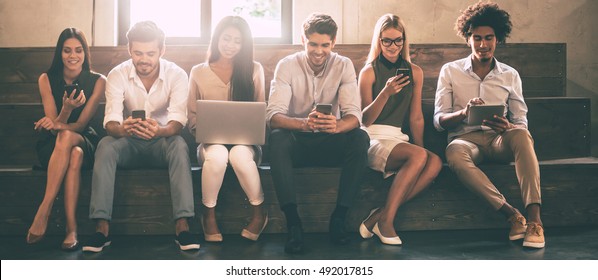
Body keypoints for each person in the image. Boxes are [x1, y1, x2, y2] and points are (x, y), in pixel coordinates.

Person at [434, 1, 544, 248]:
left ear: (498, 39)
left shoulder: (510, 74)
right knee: (454, 151)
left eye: (489, 38)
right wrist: (464, 112)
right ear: (468, 39)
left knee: (522, 136)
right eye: (477, 38)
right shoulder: (450, 71)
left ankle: (535, 220)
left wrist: (510, 127)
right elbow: (439, 120)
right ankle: (511, 214)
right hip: (466, 140)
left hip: (499, 140)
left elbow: (521, 119)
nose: (483, 44)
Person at [83, 21, 198, 252]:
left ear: (162, 51)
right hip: (129, 142)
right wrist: (124, 129)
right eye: (137, 53)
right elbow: (110, 122)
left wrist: (160, 131)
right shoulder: (118, 74)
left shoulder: (176, 74)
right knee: (106, 145)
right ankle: (101, 228)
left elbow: (178, 121)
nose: (143, 59)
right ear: (129, 50)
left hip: (162, 141)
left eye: (150, 53)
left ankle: (182, 226)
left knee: (179, 144)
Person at [267, 13, 370, 254]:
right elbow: (273, 117)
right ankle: (293, 222)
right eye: (312, 44)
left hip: (330, 139)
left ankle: (339, 218)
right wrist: (304, 124)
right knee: (277, 139)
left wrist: (336, 126)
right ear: (303, 40)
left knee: (360, 138)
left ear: (333, 43)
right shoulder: (287, 65)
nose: (318, 51)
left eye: (325, 45)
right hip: (298, 140)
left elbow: (354, 115)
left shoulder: (343, 65)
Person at [357, 14, 442, 245]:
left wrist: (421, 153)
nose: (392, 46)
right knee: (419, 156)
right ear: (378, 41)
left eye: (398, 40)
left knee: (433, 162)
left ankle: (379, 214)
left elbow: (415, 116)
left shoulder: (415, 71)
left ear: (404, 41)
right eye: (387, 41)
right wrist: (385, 93)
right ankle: (386, 223)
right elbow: (364, 120)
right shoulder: (369, 72)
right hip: (372, 137)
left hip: (398, 138)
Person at [187, 16, 268, 242]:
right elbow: (192, 116)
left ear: (244, 45)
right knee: (218, 153)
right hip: (210, 145)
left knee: (240, 155)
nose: (230, 45)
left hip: (247, 145)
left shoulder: (254, 69)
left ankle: (259, 213)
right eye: (226, 38)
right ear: (216, 39)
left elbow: (260, 112)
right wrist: (202, 130)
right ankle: (209, 214)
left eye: (237, 41)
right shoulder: (198, 72)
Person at [26, 28, 105, 251]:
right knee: (73, 153)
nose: (73, 56)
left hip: (84, 138)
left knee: (71, 138)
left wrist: (64, 118)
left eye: (78, 50)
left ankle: (45, 208)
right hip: (54, 145)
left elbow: (80, 126)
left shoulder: (98, 81)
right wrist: (66, 111)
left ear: (85, 53)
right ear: (59, 53)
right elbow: (53, 127)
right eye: (67, 50)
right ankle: (71, 229)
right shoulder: (46, 79)